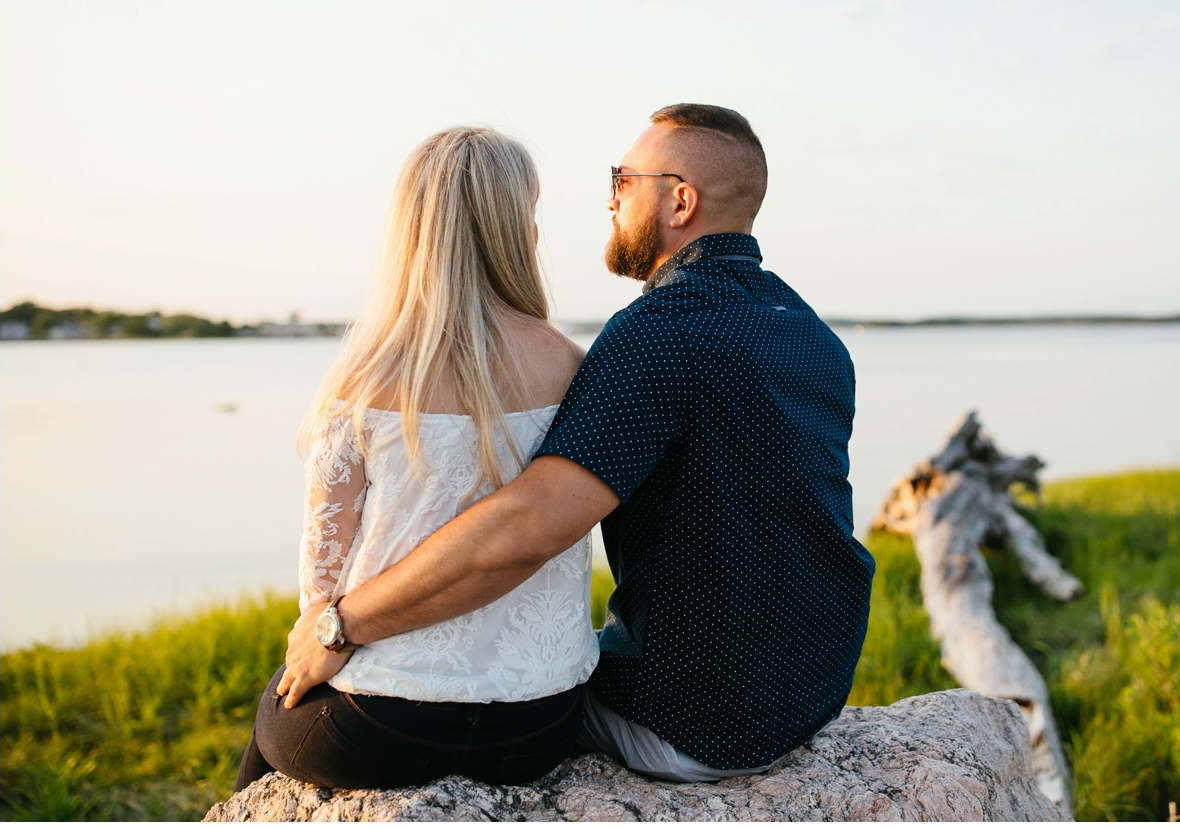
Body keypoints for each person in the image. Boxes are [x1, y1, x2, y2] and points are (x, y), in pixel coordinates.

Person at [275, 103, 875, 784]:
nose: (611, 199)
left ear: (680, 201)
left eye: (624, 180)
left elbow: (525, 527)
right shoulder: (810, 335)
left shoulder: (657, 336)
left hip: (696, 723)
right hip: (808, 697)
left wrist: (342, 623)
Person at [234, 125, 596, 792]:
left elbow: (320, 587)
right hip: (539, 721)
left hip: (381, 723)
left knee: (273, 713)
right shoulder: (575, 366)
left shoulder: (362, 378)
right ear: (512, 229)